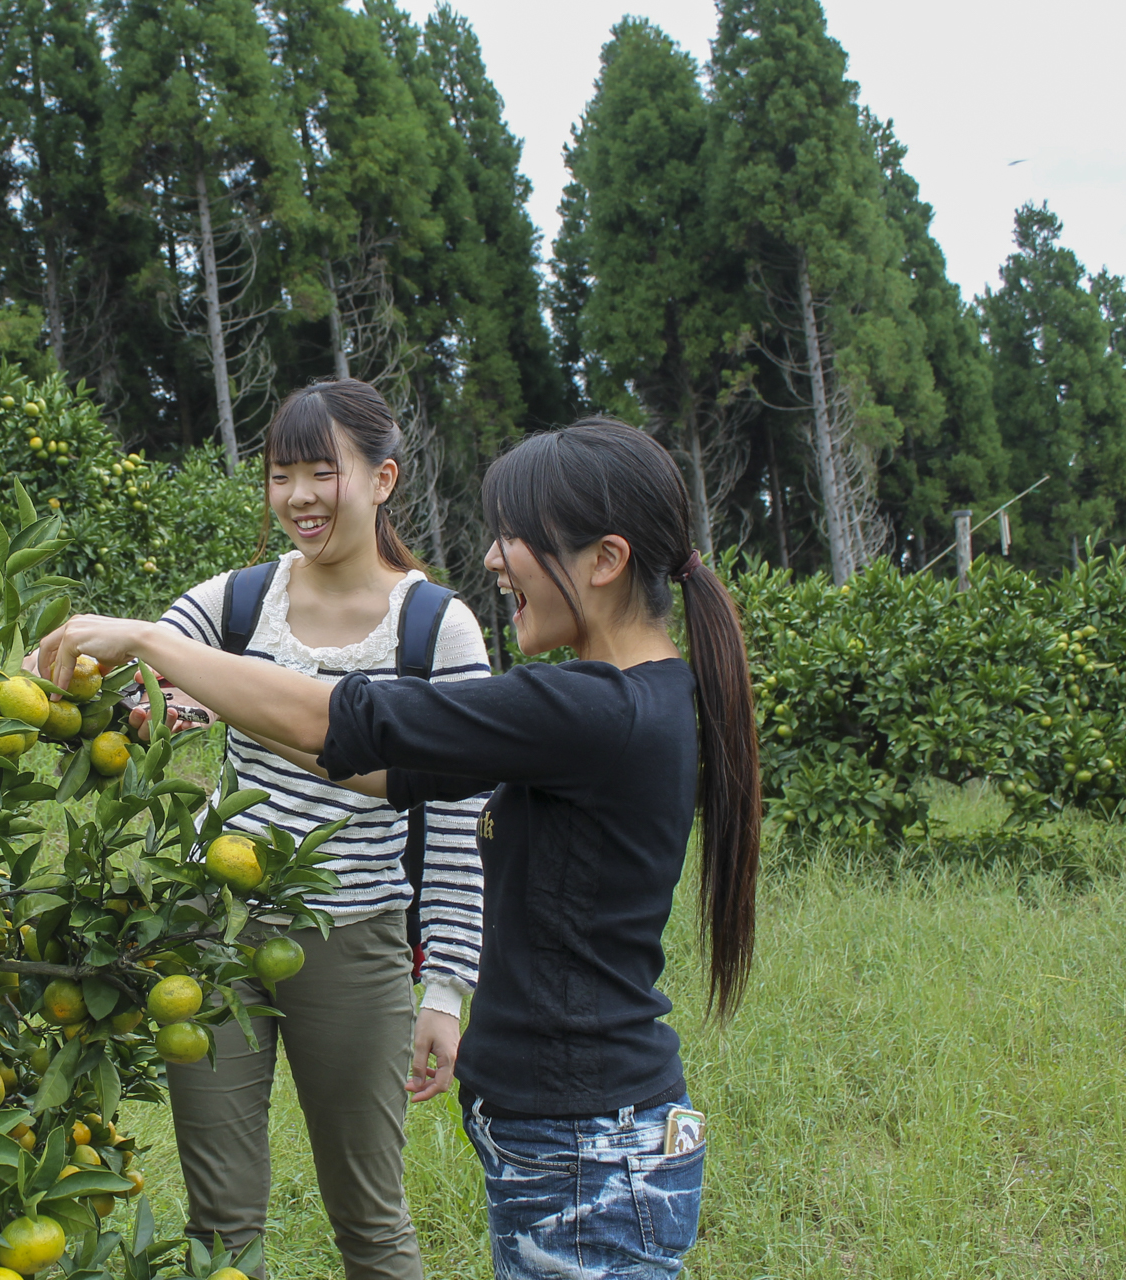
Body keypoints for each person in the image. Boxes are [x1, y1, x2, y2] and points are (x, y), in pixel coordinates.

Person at [39, 419, 762, 1278]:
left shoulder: (593, 709)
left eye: (514, 538)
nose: (493, 560)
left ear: (605, 560)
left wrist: (153, 642)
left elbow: (346, 718)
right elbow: (386, 770)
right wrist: (221, 706)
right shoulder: (619, 702)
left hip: (588, 1152)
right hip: (577, 1138)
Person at [137, 379, 492, 1280]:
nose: (298, 497)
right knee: (220, 1225)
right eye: (279, 475)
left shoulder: (437, 629)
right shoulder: (237, 600)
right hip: (214, 927)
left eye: (321, 472)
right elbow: (145, 672)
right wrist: (97, 683)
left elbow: (459, 822)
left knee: (370, 1221)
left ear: (382, 479)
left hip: (356, 936)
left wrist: (447, 989)